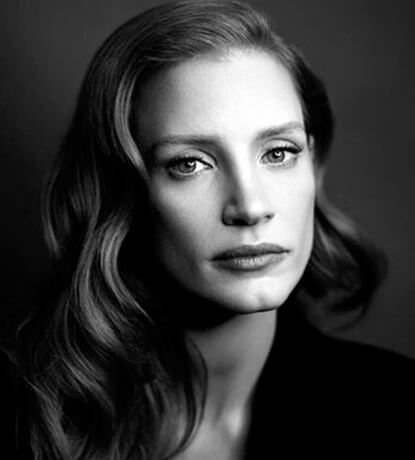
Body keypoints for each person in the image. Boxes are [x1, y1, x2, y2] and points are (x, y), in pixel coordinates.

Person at [1, 1, 414, 459]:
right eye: (190, 164)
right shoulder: (24, 419)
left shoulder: (394, 408)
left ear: (313, 167)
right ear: (118, 191)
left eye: (278, 153)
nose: (251, 207)